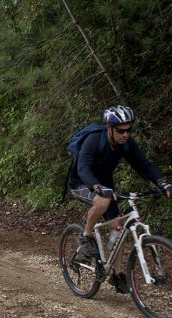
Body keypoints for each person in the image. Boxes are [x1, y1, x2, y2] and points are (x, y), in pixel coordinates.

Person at [68, 105, 172, 292]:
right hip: (81, 183)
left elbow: (144, 165)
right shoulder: (93, 140)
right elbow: (83, 168)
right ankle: (86, 236)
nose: (126, 134)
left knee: (118, 228)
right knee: (102, 201)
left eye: (129, 130)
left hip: (106, 186)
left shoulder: (126, 144)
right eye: (121, 131)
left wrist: (162, 182)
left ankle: (116, 275)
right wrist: (97, 187)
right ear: (109, 128)